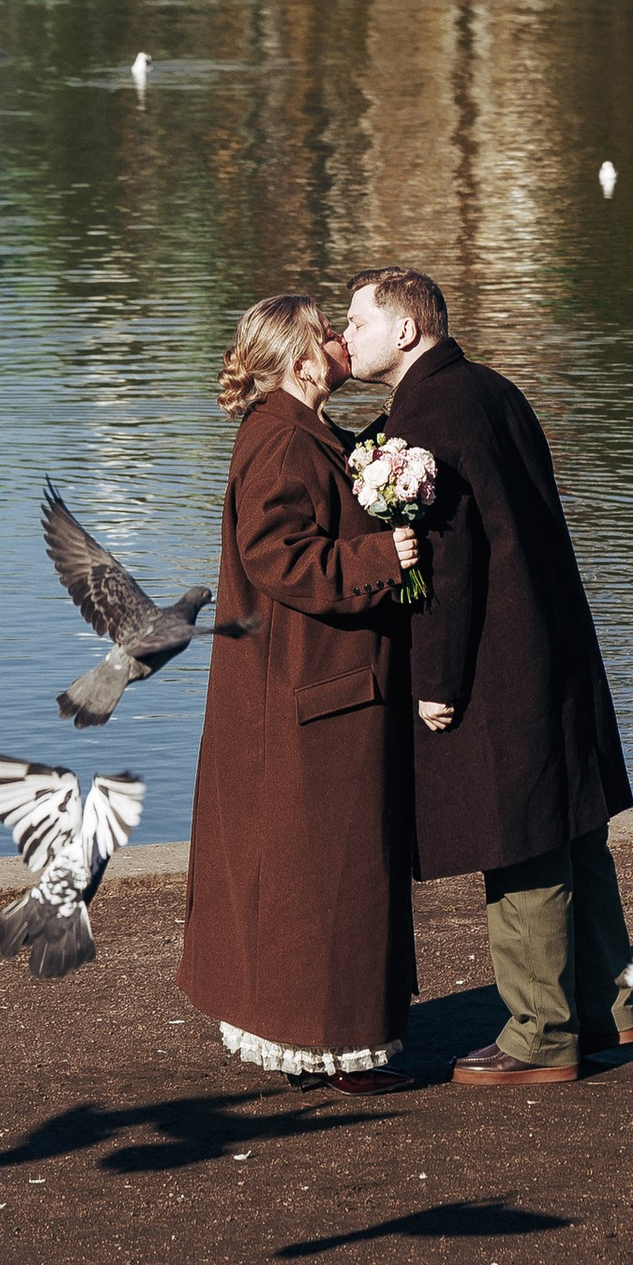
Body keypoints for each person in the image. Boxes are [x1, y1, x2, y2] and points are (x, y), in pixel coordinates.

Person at [338, 264, 633, 1088]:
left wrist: (436, 679)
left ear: (405, 329)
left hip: (498, 657)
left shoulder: (429, 410)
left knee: (522, 839)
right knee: (574, 828)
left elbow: (450, 559)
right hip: (553, 639)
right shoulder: (489, 387)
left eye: (356, 321)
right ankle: (608, 1007)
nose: (345, 334)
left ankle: (540, 1035)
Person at [177, 292, 424, 1084]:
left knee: (312, 877)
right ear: (300, 356)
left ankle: (307, 1039)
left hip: (309, 689)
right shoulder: (281, 439)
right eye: (329, 332)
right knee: (327, 878)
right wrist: (387, 557)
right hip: (310, 696)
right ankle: (330, 1047)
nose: (343, 343)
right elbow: (277, 557)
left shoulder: (302, 431)